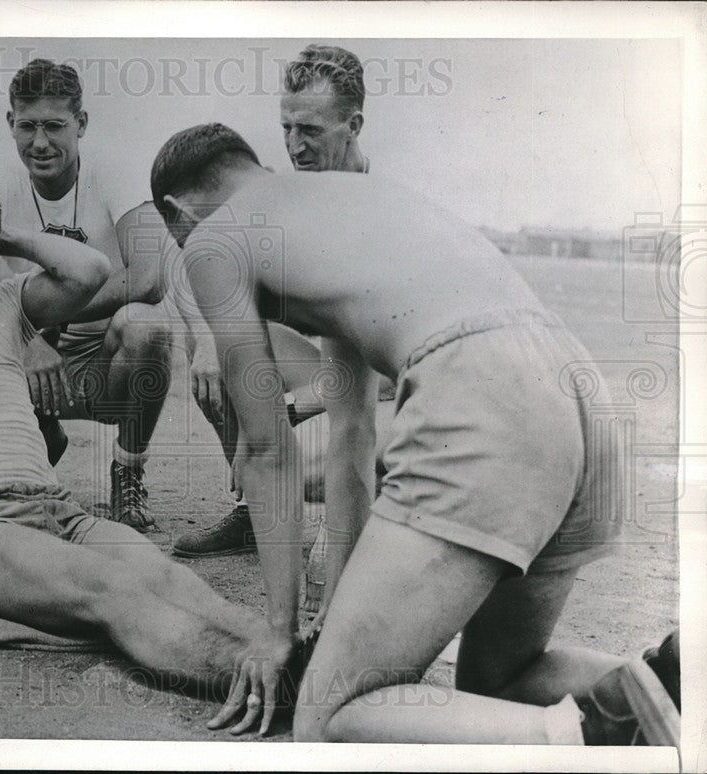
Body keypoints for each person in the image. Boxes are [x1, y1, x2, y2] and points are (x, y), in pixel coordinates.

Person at [149, 124, 680, 744]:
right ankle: (669, 683)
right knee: (502, 680)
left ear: (177, 211)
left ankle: (598, 732)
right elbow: (350, 437)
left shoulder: (213, 238)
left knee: (333, 718)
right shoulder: (340, 204)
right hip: (578, 387)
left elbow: (268, 450)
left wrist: (276, 630)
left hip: (484, 388)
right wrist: (340, 618)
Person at [0, 172, 268, 698]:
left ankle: (289, 659)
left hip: (58, 509)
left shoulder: (6, 304)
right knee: (109, 590)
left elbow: (91, 270)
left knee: (168, 578)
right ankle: (257, 684)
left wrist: (4, 237)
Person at [173, 44, 381, 560]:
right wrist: (212, 343)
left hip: (388, 397)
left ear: (353, 124)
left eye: (310, 131)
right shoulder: (295, 193)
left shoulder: (382, 212)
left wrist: (284, 410)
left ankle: (361, 526)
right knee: (220, 346)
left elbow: (393, 374)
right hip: (329, 377)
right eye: (287, 128)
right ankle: (255, 513)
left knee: (308, 467)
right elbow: (213, 270)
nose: (294, 146)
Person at [0, 58, 173, 532]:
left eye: (55, 126)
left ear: (82, 123)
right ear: (10, 123)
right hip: (34, 357)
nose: (40, 142)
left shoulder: (114, 172)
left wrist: (48, 313)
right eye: (27, 126)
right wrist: (28, 336)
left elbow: (149, 279)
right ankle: (36, 445)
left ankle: (128, 471)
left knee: (147, 326)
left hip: (105, 364)